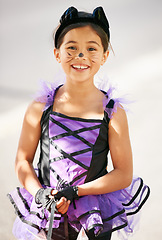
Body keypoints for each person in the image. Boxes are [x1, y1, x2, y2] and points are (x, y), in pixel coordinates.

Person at [7, 6, 150, 240]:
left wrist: (76, 191)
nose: (81, 56)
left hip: (93, 215)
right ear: (57, 54)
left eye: (91, 49)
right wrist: (41, 194)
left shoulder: (112, 112)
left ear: (104, 56)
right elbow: (23, 160)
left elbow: (124, 173)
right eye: (71, 48)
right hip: (49, 212)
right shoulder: (40, 107)